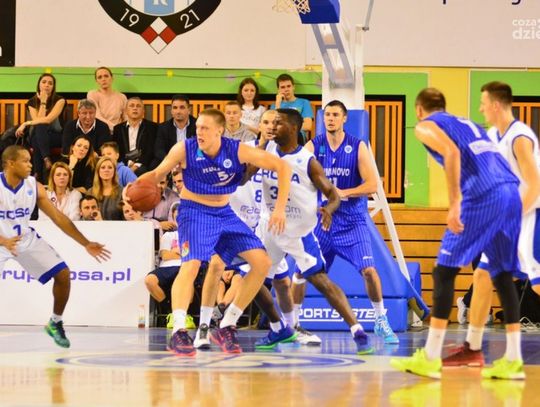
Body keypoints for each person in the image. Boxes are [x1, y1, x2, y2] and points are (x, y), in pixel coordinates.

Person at [130, 108, 291, 356]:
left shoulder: (236, 149)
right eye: (197, 128)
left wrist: (279, 209)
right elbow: (157, 174)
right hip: (194, 212)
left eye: (205, 128)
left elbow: (282, 166)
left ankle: (227, 324)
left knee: (262, 262)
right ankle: (179, 331)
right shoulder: (184, 149)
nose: (199, 132)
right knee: (191, 265)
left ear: (219, 131)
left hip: (224, 213)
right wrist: (134, 186)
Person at [391, 88, 525, 380]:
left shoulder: (425, 125)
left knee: (444, 272)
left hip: (483, 195)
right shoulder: (468, 123)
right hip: (511, 192)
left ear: (418, 110)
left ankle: (430, 357)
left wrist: (455, 203)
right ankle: (512, 359)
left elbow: (451, 152)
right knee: (501, 275)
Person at [248, 108, 374, 353]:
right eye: (270, 123)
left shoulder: (308, 161)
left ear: (294, 128)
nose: (272, 127)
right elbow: (244, 177)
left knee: (321, 280)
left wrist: (329, 209)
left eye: (279, 123)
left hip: (299, 231)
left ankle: (357, 330)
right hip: (270, 228)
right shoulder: (266, 151)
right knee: (252, 279)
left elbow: (332, 195)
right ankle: (280, 328)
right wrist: (260, 147)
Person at [443, 82, 540, 370]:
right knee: (483, 275)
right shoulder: (493, 136)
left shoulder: (519, 137)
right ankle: (473, 348)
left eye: (484, 103)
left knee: (537, 285)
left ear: (496, 105)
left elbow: (535, 184)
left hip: (529, 217)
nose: (481, 108)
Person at [291, 100, 399, 345]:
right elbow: (295, 174)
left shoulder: (358, 146)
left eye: (335, 115)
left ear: (344, 118)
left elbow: (372, 185)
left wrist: (343, 193)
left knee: (369, 271)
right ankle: (292, 324)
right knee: (300, 272)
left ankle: (380, 319)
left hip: (351, 221)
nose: (330, 118)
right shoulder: (313, 146)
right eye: (327, 115)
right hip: (321, 221)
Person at [0, 145, 110, 347]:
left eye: (30, 160)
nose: (30, 165)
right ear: (10, 163)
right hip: (1, 242)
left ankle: (55, 322)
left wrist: (85, 243)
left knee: (63, 274)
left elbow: (58, 218)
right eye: (25, 161)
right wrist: (4, 241)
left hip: (24, 239)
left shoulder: (34, 187)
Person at [16, 73, 66, 182]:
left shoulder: (60, 100)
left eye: (50, 83)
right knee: (39, 130)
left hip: (56, 136)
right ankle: (46, 159)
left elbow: (47, 120)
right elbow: (38, 121)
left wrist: (26, 123)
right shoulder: (32, 101)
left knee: (37, 138)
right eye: (44, 82)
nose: (47, 85)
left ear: (53, 87)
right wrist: (43, 102)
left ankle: (37, 174)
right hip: (39, 134)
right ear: (39, 84)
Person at [113, 97, 158, 176]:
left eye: (138, 106)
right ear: (126, 111)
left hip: (144, 164)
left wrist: (136, 165)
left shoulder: (152, 127)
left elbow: (151, 150)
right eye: (132, 106)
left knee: (141, 170)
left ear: (143, 111)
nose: (135, 108)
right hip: (124, 164)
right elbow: (117, 151)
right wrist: (128, 163)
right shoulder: (118, 129)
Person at [153, 95, 196, 167]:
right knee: (154, 164)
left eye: (182, 107)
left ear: (189, 110)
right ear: (171, 111)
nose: (178, 111)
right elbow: (159, 150)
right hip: (170, 161)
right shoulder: (163, 127)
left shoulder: (198, 125)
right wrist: (171, 162)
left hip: (192, 161)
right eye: (175, 108)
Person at [270, 73, 313, 143]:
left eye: (288, 86)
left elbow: (308, 126)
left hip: (297, 138)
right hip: (280, 138)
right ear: (278, 90)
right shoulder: (275, 105)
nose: (286, 89)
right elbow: (273, 126)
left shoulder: (304, 102)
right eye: (283, 87)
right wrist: (278, 104)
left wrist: (285, 128)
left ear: (293, 87)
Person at [87, 67, 127, 133]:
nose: (103, 79)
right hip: (100, 131)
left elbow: (126, 118)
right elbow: (96, 116)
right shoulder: (92, 94)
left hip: (118, 133)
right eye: (100, 77)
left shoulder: (122, 97)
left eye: (106, 76)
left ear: (112, 78)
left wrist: (123, 131)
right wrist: (115, 128)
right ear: (96, 81)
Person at [89, 156, 123, 220]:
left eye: (110, 167)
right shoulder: (90, 192)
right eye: (103, 167)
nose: (106, 170)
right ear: (98, 171)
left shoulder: (122, 192)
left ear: (114, 171)